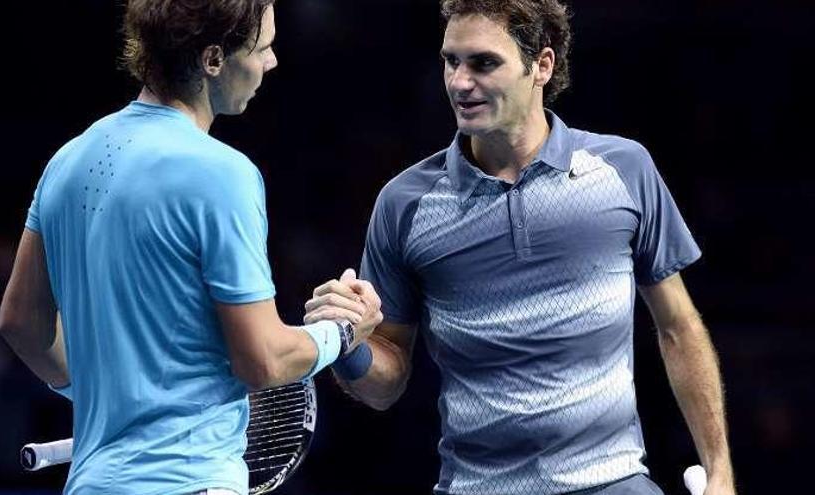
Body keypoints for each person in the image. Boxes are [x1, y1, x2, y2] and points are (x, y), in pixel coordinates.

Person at [305, 0, 735, 494]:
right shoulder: (404, 203)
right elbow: (386, 386)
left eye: (484, 63)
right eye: (451, 61)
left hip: (615, 481)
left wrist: (719, 471)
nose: (460, 82)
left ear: (542, 66)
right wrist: (349, 346)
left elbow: (678, 327)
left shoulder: (625, 170)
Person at [0, 1, 380, 494]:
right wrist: (344, 330)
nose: (272, 62)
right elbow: (262, 361)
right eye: (262, 48)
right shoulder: (222, 173)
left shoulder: (68, 162)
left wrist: (106, 394)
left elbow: (21, 324)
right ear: (213, 59)